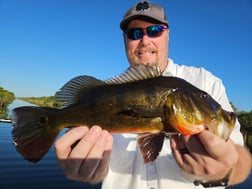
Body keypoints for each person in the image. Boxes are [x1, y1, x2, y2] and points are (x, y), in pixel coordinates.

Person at [55, 1, 251, 188]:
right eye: (135, 33)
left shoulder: (205, 81)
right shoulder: (105, 91)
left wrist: (224, 169)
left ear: (168, 35)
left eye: (155, 31)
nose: (145, 40)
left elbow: (243, 163)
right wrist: (87, 172)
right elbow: (80, 148)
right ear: (125, 39)